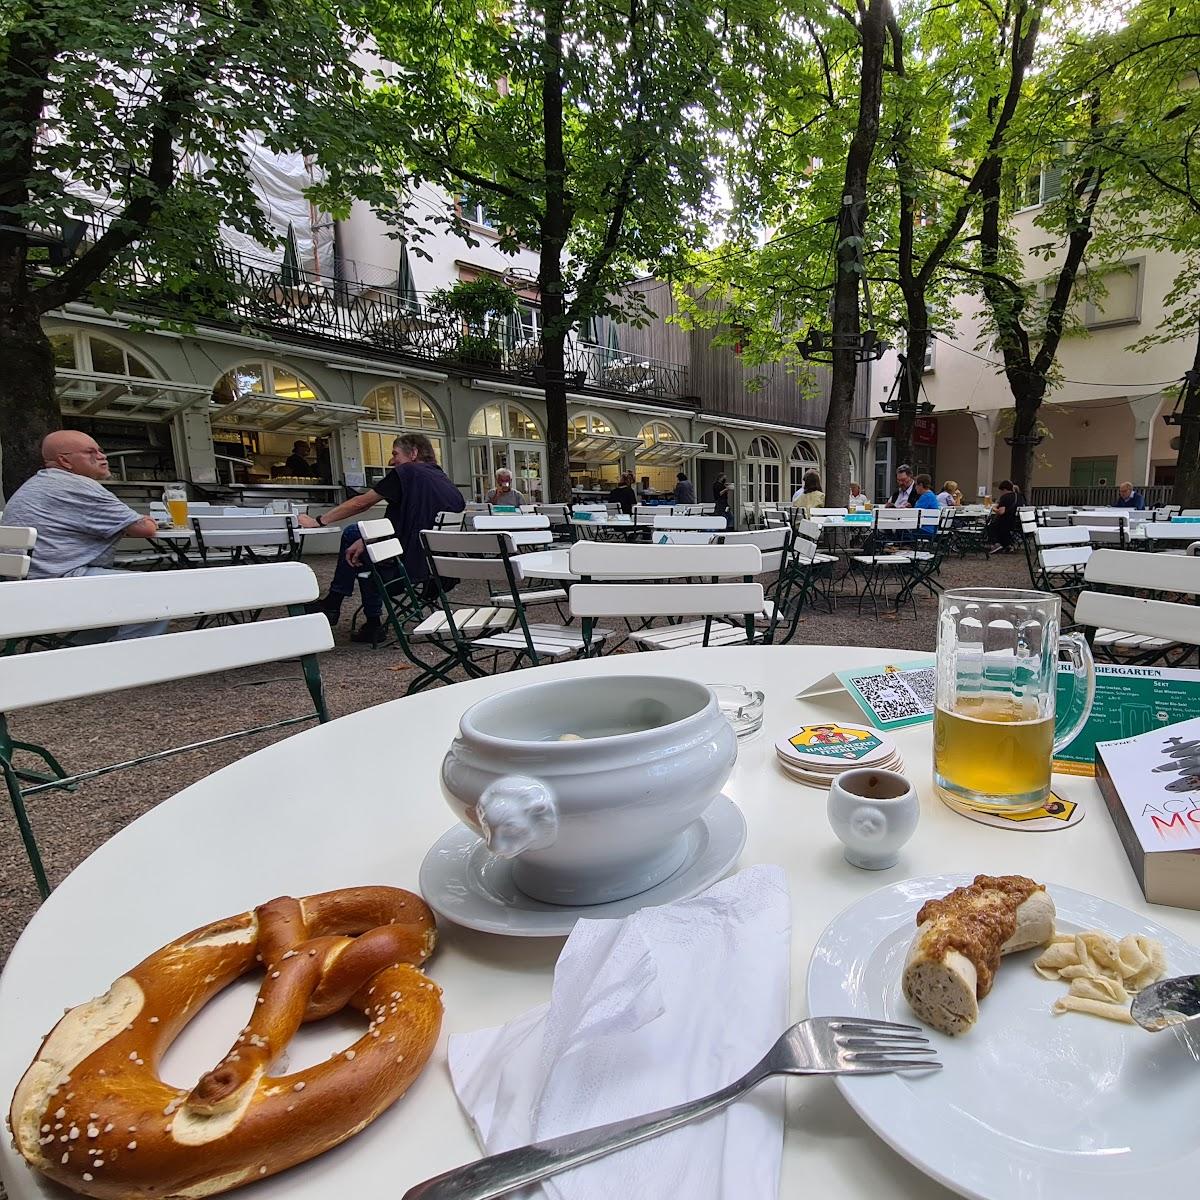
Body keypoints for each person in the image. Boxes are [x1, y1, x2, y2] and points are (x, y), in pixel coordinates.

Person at [299, 433, 465, 643]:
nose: (392, 460)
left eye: (395, 453)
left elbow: (361, 503)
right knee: (365, 550)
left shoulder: (407, 472)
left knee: (354, 536)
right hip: (436, 570)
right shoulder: (443, 480)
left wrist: (319, 521)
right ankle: (365, 620)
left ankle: (340, 604)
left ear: (413, 453)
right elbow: (414, 523)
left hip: (406, 566)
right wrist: (370, 539)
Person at [0, 431, 166, 640]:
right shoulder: (76, 485)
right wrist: (146, 519)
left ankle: (83, 655)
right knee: (157, 591)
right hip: (57, 584)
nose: (102, 456)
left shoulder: (40, 483)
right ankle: (127, 659)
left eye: (100, 450)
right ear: (64, 461)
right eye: (90, 452)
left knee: (123, 600)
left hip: (27, 585)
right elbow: (145, 529)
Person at [986, 480, 1020, 554]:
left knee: (989, 525)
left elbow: (1001, 512)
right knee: (1002, 530)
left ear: (1004, 489)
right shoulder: (1017, 496)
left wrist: (992, 508)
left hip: (1004, 522)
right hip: (1015, 522)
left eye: (1001, 491)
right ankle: (1008, 545)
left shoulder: (1005, 497)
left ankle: (996, 544)